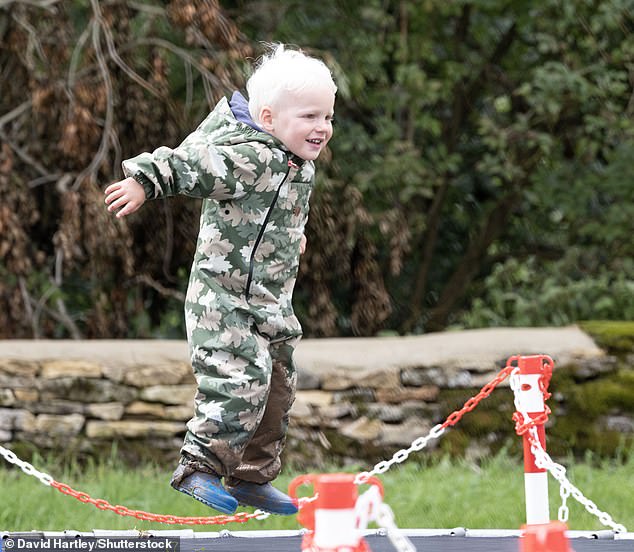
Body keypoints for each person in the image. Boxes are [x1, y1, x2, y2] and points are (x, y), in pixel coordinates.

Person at [104, 44, 336, 516]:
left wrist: (293, 241)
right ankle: (198, 467)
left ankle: (252, 477)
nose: (322, 128)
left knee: (277, 384)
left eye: (328, 116)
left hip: (270, 302)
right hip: (223, 298)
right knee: (240, 378)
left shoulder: (298, 165)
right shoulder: (250, 157)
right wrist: (142, 181)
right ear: (268, 118)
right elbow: (192, 164)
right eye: (310, 116)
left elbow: (279, 214)